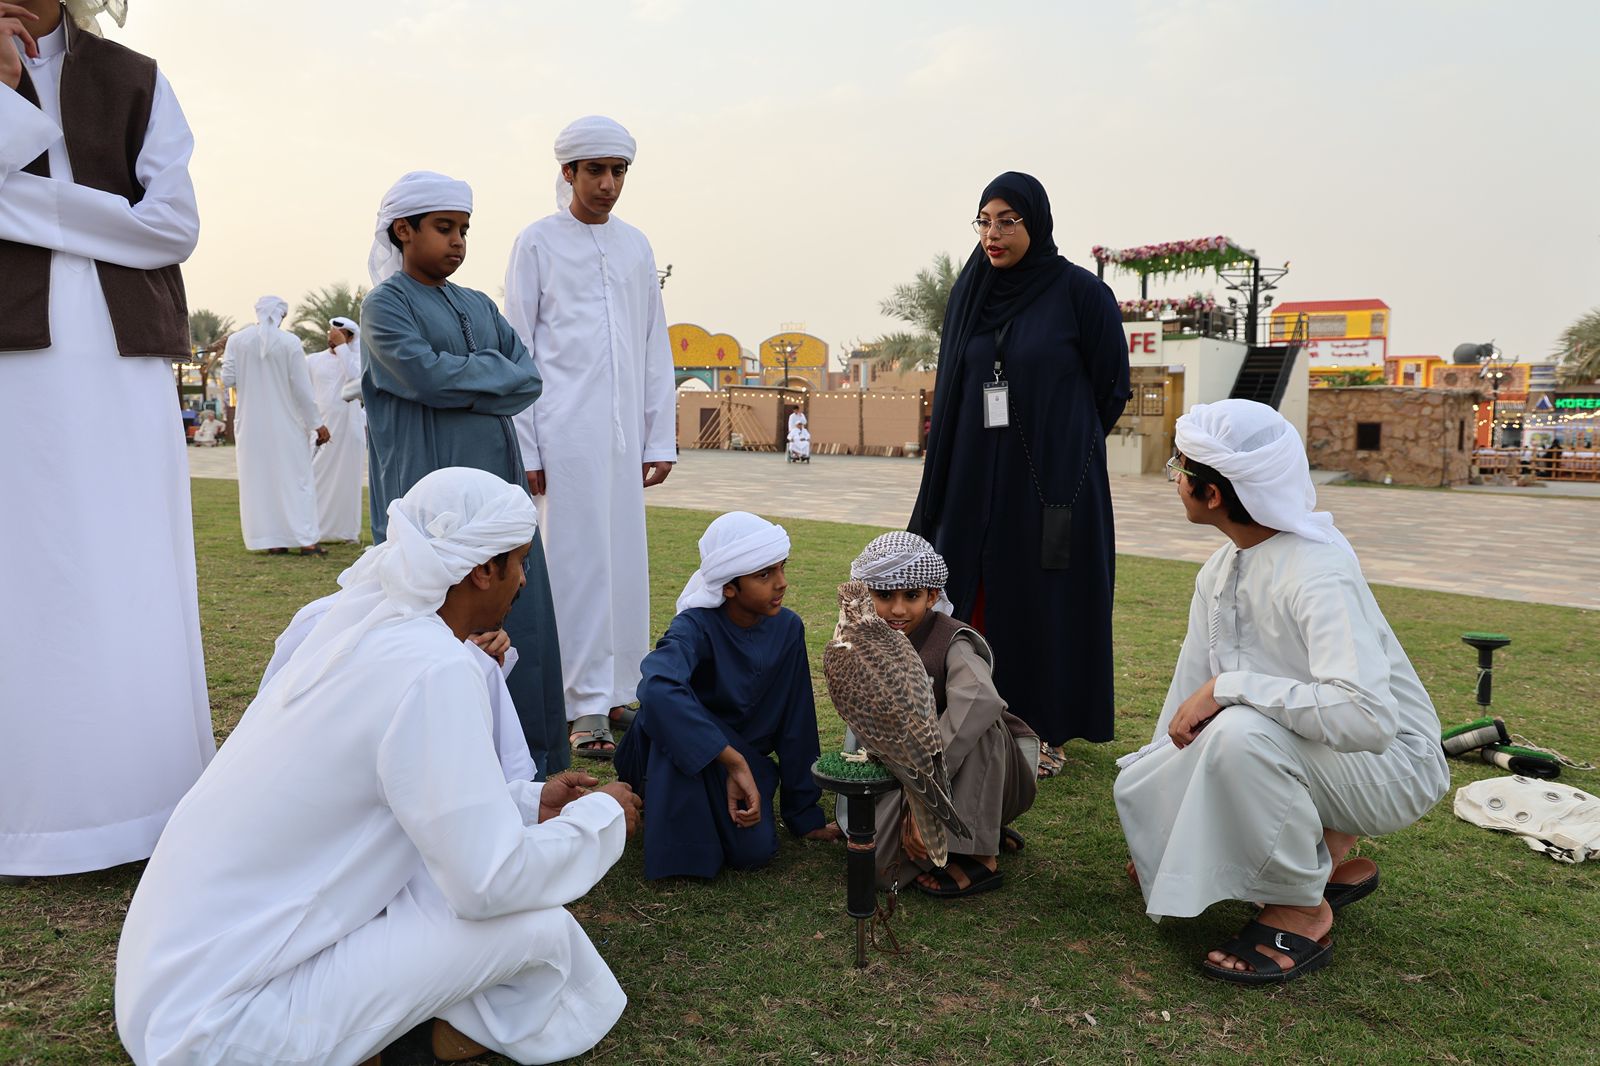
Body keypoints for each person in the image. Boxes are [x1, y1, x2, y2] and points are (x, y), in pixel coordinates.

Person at [115, 467, 643, 1066]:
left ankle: (380, 1034)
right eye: (520, 561)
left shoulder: (362, 627)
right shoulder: (432, 665)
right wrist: (600, 819)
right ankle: (407, 1046)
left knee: (437, 892)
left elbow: (397, 799)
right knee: (542, 934)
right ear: (484, 569)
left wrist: (529, 804)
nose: (523, 579)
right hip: (220, 1032)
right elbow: (487, 883)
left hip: (157, 992)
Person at [1113, 399, 1449, 985]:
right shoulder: (1220, 569)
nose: (1174, 479)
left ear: (1211, 493)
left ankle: (1302, 906)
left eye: (1178, 467)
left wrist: (1229, 688)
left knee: (1240, 730)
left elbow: (1366, 718)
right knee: (1151, 775)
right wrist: (1165, 815)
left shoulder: (1317, 569)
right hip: (1314, 752)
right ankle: (1323, 854)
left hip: (1393, 765)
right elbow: (1187, 703)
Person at [0, 0, 215, 877]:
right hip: (14, 365)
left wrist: (17, 205)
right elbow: (140, 226)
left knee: (128, 558)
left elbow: (174, 226)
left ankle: (140, 804)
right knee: (26, 565)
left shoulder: (137, 77)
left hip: (121, 363)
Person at [908, 172, 1130, 780]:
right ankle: (962, 713)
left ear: (1036, 222)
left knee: (1042, 599)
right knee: (967, 589)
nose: (993, 234)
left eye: (1008, 220)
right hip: (972, 474)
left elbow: (1113, 387)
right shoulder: (972, 292)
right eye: (984, 220)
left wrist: (1065, 443)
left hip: (1050, 484)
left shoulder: (1080, 294)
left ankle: (1043, 727)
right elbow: (954, 383)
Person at [360, 170, 568, 777]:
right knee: (437, 616)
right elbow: (421, 375)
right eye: (444, 228)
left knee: (518, 611)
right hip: (428, 482)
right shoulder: (385, 305)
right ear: (404, 230)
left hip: (496, 491)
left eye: (464, 231)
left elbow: (527, 378)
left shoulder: (477, 303)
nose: (457, 242)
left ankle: (532, 768)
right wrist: (485, 377)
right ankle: (447, 771)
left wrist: (461, 377)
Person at [504, 115, 677, 761]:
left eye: (618, 171)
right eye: (595, 171)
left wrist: (658, 438)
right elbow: (517, 346)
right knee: (573, 568)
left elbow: (653, 348)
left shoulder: (635, 247)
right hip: (562, 434)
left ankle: (620, 691)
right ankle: (580, 705)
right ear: (568, 172)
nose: (608, 184)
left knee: (624, 562)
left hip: (622, 437)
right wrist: (527, 446)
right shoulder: (538, 242)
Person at [614, 511, 841, 880]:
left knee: (755, 852)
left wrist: (805, 815)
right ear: (729, 587)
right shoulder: (694, 625)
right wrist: (731, 761)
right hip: (681, 751)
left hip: (744, 757)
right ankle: (666, 817)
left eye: (782, 568)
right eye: (764, 574)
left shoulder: (788, 628)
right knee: (671, 722)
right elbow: (656, 689)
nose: (781, 583)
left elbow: (796, 718)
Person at [841, 532, 1038, 897]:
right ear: (867, 597)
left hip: (983, 767)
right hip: (909, 772)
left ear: (932, 596)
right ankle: (975, 828)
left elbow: (980, 700)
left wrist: (924, 800)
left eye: (911, 596)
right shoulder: (862, 640)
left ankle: (980, 855)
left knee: (983, 720)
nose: (898, 610)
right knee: (880, 870)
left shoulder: (951, 640)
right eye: (884, 596)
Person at [221, 295, 329, 555]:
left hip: (251, 427)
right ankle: (306, 541)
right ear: (282, 316)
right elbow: (302, 390)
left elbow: (227, 379)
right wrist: (317, 424)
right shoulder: (290, 342)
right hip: (287, 426)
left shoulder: (237, 341)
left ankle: (273, 541)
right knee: (296, 481)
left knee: (260, 482)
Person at [305, 316, 366, 542]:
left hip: (349, 430)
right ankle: (313, 529)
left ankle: (346, 532)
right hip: (321, 429)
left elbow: (355, 379)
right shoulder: (313, 360)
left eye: (340, 335)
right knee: (315, 477)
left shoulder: (358, 360)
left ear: (350, 337)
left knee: (347, 482)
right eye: (332, 333)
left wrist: (342, 348)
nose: (333, 337)